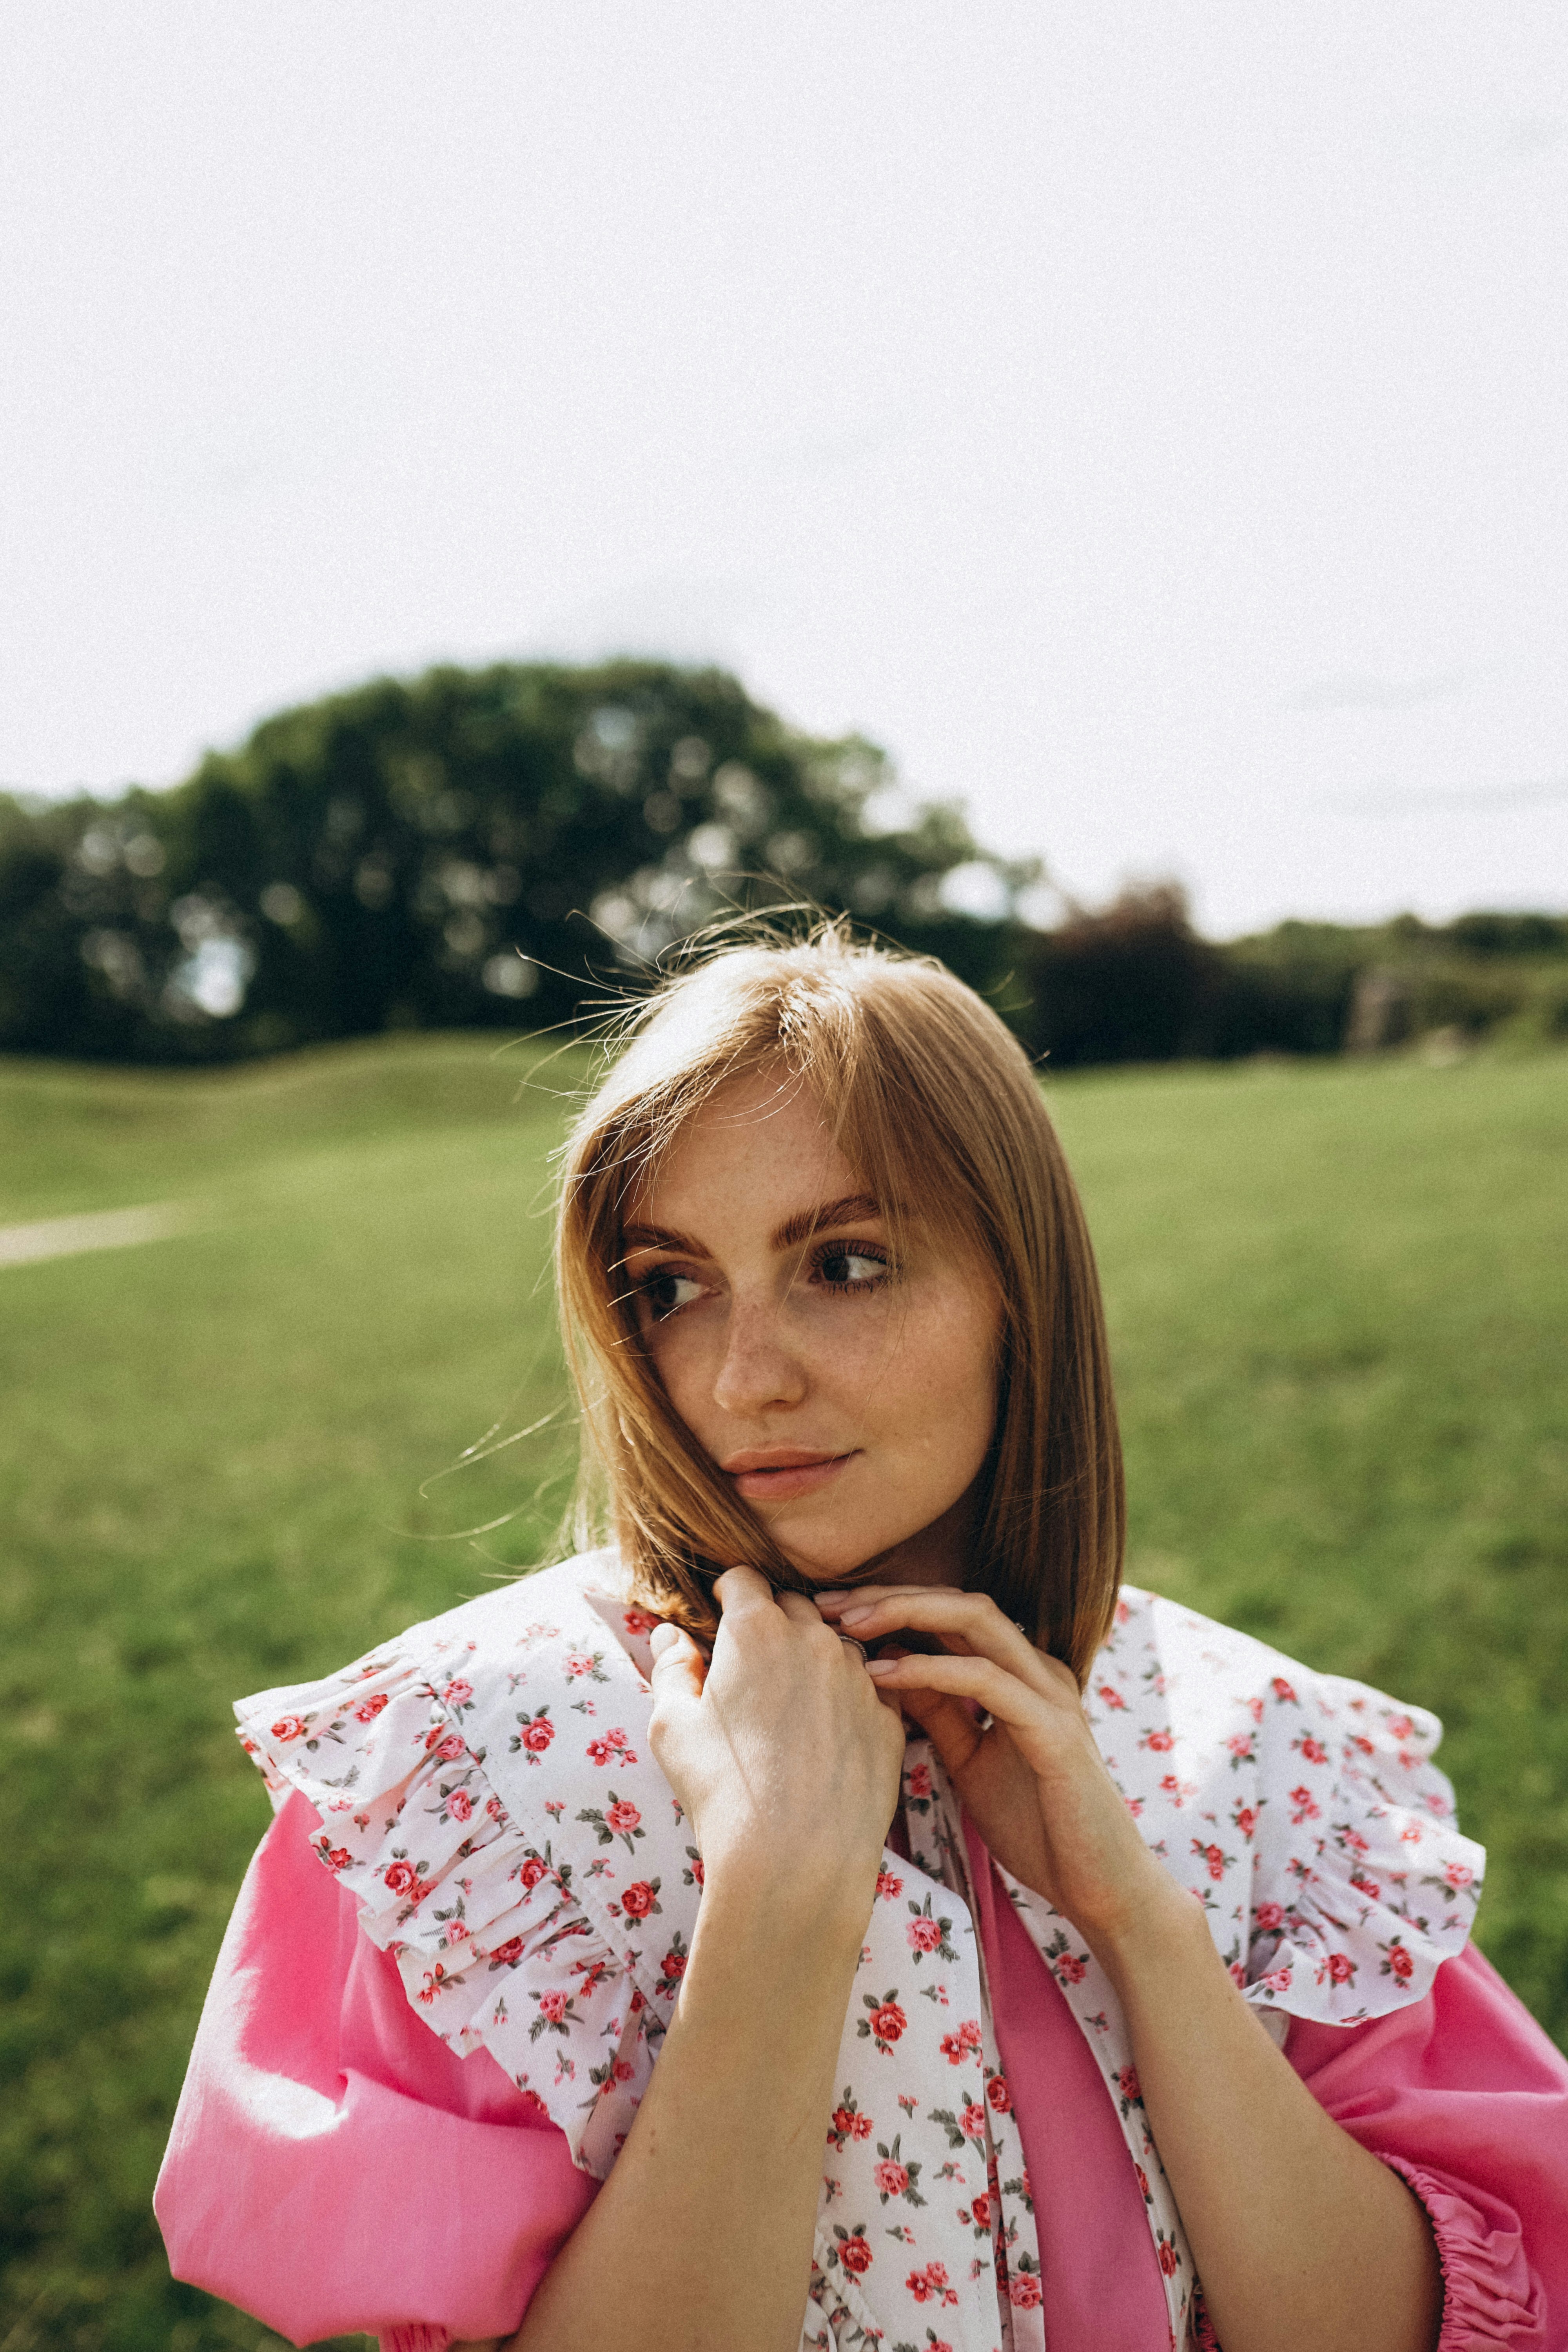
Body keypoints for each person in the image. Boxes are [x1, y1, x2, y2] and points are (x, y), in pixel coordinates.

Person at [156, 926, 1568, 2352]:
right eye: (670, 1283)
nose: (741, 1378)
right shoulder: (475, 1790)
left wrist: (1143, 1928)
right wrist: (774, 1910)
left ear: (1024, 1281)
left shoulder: (1261, 1749)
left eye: (844, 1262)